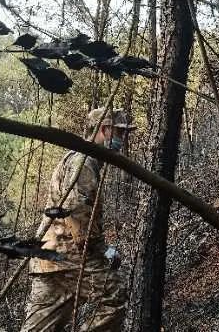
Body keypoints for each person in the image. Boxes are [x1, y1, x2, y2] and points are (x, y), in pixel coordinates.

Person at [20, 107, 136, 331]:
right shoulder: (84, 162)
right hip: (68, 256)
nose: (123, 139)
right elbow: (78, 214)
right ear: (105, 129)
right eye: (120, 133)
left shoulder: (81, 159)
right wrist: (102, 249)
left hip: (49, 259)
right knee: (116, 296)